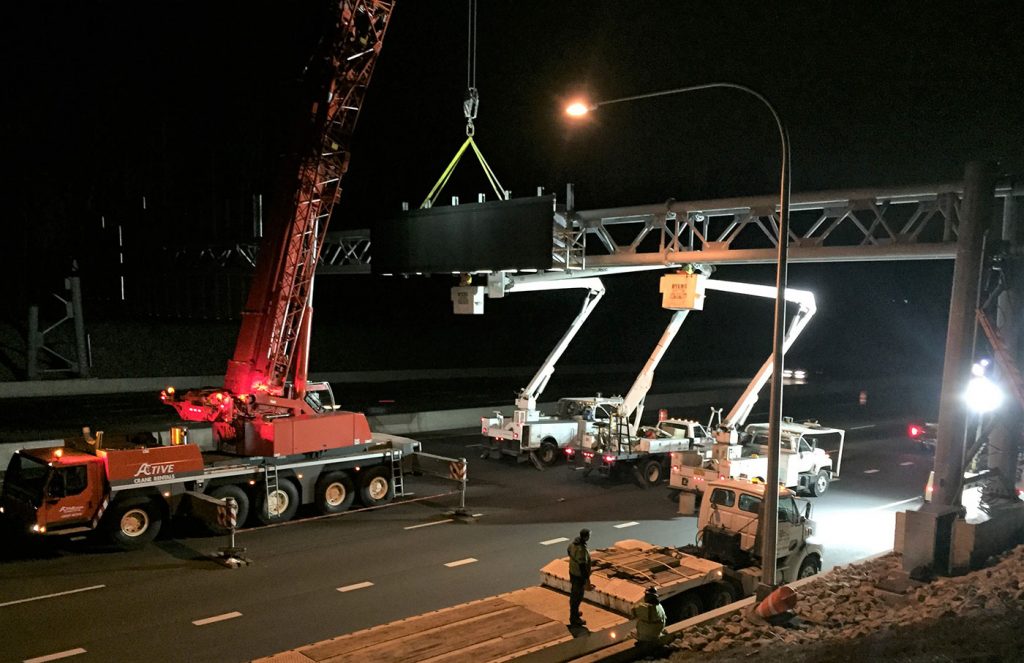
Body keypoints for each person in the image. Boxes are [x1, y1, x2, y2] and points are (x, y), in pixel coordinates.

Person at [567, 528, 593, 626]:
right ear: (586, 537)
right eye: (589, 535)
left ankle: (575, 612)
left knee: (574, 594)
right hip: (579, 576)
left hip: (572, 573)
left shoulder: (573, 544)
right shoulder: (581, 549)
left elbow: (568, 552)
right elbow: (582, 566)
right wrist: (587, 580)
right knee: (577, 596)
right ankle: (574, 618)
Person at [632, 586, 668, 655]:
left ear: (649, 596)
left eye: (646, 595)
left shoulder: (644, 608)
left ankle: (641, 645)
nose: (645, 597)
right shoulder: (659, 606)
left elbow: (632, 611)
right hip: (657, 633)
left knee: (631, 633)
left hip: (648, 636)